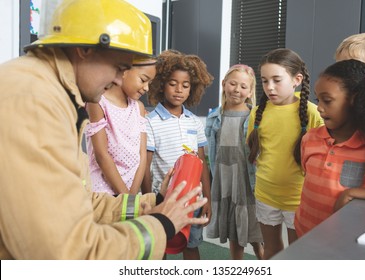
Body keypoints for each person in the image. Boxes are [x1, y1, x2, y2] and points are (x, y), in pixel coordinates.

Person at [0, 0, 208, 260]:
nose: (120, 80)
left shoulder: (52, 91)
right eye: (119, 68)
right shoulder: (33, 100)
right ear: (85, 50)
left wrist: (154, 201)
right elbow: (67, 253)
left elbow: (82, 201)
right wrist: (162, 224)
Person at [294, 59, 365, 237]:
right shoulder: (310, 139)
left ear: (355, 101)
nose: (320, 108)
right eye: (318, 100)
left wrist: (351, 193)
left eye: (328, 100)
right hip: (303, 233)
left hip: (341, 242)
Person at [246, 48, 323, 259]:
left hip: (299, 200)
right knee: (271, 252)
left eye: (276, 80)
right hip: (265, 196)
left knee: (296, 255)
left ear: (297, 79)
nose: (269, 87)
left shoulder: (313, 112)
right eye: (264, 81)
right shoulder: (257, 112)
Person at [142, 49, 214, 260]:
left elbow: (202, 164)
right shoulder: (150, 122)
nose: (179, 90)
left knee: (191, 247)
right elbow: (145, 166)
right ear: (161, 84)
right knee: (160, 248)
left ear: (192, 88)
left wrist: (207, 198)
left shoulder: (194, 122)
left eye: (185, 85)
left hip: (193, 199)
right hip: (164, 198)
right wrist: (151, 199)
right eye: (173, 83)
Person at [205, 64, 264, 260]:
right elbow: (211, 153)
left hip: (247, 181)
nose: (237, 89)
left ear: (250, 92)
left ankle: (264, 260)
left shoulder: (254, 117)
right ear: (224, 84)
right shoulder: (214, 117)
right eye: (232, 83)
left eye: (243, 86)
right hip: (224, 180)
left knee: (255, 232)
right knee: (233, 230)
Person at [85, 56, 156, 195]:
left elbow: (142, 157)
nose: (147, 88)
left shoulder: (139, 108)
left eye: (150, 83)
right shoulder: (98, 103)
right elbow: (102, 155)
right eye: (143, 79)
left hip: (131, 193)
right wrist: (125, 197)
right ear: (124, 70)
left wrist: (132, 197)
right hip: (104, 193)